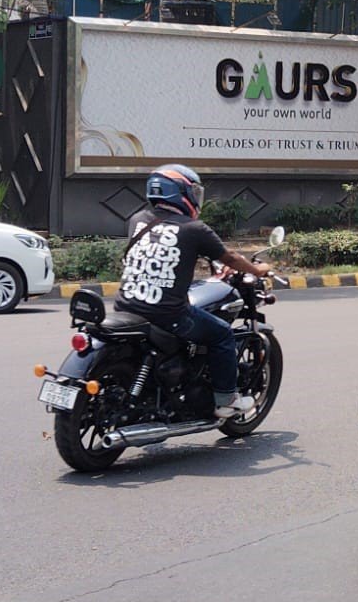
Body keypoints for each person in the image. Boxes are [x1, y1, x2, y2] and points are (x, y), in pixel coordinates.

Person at [115, 163, 273, 419]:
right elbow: (231, 258)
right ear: (180, 193)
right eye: (194, 192)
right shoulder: (194, 229)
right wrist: (258, 270)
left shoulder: (137, 220)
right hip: (167, 315)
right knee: (222, 334)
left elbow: (165, 253)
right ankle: (227, 400)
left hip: (127, 307)